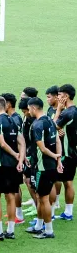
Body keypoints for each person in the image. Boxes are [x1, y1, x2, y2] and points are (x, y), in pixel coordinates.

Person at [25, 97, 63, 239]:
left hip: (42, 167)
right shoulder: (50, 120)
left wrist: (54, 156)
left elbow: (42, 148)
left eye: (29, 109)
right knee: (41, 197)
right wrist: (58, 158)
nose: (29, 111)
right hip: (51, 166)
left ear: (34, 108)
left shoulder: (37, 124)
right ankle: (39, 226)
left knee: (43, 198)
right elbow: (58, 140)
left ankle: (48, 231)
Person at [0, 96, 25, 240]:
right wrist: (20, 159)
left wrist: (16, 154)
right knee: (11, 196)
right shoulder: (13, 120)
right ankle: (10, 231)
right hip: (13, 165)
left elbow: (3, 144)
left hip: (0, 164)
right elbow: (21, 142)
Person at [0, 92, 26, 223]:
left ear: (8, 104)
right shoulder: (13, 117)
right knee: (14, 187)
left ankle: (18, 215)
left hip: (13, 157)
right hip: (14, 157)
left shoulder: (14, 119)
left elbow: (19, 140)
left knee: (14, 188)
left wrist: (19, 156)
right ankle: (15, 212)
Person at [53, 84, 76, 221]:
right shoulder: (75, 111)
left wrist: (58, 110)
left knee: (55, 181)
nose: (58, 97)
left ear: (66, 96)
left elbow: (51, 126)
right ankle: (68, 212)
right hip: (73, 152)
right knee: (68, 182)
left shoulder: (67, 113)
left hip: (65, 153)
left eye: (60, 95)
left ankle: (49, 212)